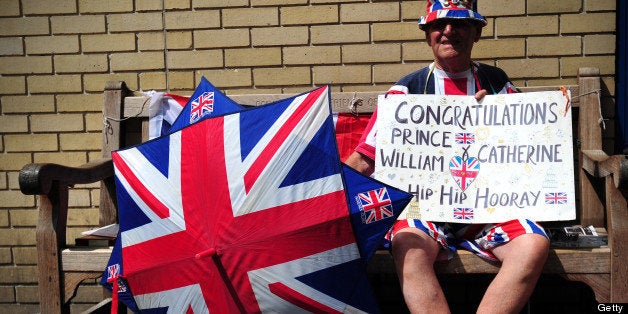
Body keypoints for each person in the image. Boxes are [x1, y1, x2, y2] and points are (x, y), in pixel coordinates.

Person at [345, 1, 550, 313]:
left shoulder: (497, 84)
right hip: (425, 210)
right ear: (428, 35)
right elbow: (364, 159)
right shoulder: (406, 92)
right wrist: (324, 201)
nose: (449, 31)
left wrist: (492, 120)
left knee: (533, 243)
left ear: (476, 33)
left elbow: (532, 147)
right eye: (439, 25)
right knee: (407, 243)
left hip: (486, 212)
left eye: (460, 24)